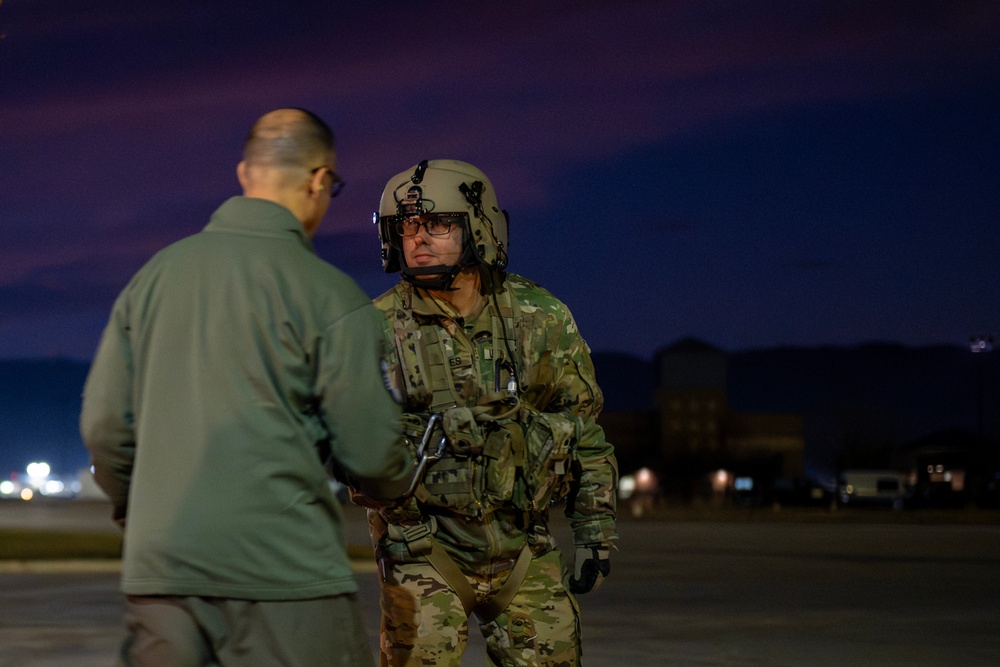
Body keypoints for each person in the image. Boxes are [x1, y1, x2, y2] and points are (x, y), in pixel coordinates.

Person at [80, 108, 412, 667]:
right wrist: (402, 479)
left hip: (163, 574)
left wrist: (138, 514)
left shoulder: (153, 278)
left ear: (243, 173)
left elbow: (105, 425)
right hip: (283, 573)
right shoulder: (330, 296)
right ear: (319, 180)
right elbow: (371, 452)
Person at [355, 159, 619, 666]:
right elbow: (346, 446)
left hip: (526, 548)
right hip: (422, 552)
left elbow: (584, 430)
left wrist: (595, 532)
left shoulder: (539, 316)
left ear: (478, 228)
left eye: (438, 223)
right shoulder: (374, 330)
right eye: (407, 226)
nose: (418, 238)